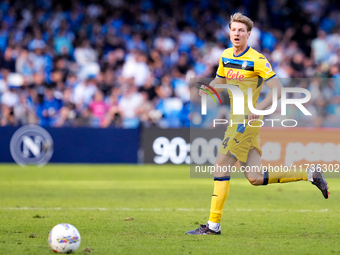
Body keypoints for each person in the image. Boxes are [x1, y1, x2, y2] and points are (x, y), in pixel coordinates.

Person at [186, 13, 329, 235]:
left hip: (246, 121)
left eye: (241, 30)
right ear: (229, 32)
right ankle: (310, 173)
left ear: (248, 34)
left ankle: (213, 226)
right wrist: (206, 90)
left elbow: (278, 90)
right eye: (234, 29)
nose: (237, 33)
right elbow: (220, 81)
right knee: (254, 177)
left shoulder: (258, 60)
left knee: (221, 166)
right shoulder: (225, 56)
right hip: (236, 120)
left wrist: (258, 109)